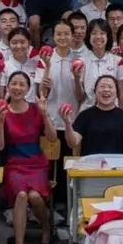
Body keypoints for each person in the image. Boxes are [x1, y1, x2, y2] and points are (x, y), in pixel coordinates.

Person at [0, 72, 57, 244]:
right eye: (14, 83)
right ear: (8, 87)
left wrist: (45, 114)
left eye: (22, 84)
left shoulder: (36, 109)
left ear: (28, 89)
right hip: (14, 164)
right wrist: (0, 122)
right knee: (21, 195)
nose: (17, 88)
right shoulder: (2, 110)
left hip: (37, 163)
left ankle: (46, 227)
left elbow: (52, 138)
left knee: (35, 196)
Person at [35, 20, 79, 206]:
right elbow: (41, 94)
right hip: (51, 120)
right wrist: (47, 68)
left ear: (72, 36)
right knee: (49, 167)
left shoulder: (78, 60)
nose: (62, 37)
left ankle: (67, 205)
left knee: (67, 168)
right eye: (58, 34)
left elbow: (81, 95)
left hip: (72, 121)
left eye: (66, 33)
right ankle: (50, 206)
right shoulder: (45, 59)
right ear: (53, 36)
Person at [64, 75, 123, 155]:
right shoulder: (84, 116)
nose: (106, 89)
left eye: (110, 87)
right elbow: (72, 143)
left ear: (116, 93)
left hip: (118, 162)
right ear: (95, 92)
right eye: (102, 86)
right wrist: (68, 124)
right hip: (92, 162)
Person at [75, 19, 120, 112]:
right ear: (88, 36)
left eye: (102, 33)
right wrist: (76, 78)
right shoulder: (81, 62)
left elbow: (121, 93)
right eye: (94, 33)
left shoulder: (117, 61)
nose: (98, 36)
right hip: (88, 111)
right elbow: (80, 97)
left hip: (112, 111)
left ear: (108, 36)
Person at [0, 27, 39, 103]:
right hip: (11, 107)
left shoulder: (36, 64)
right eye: (14, 43)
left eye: (22, 42)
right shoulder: (4, 66)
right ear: (9, 44)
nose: (19, 46)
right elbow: (0, 96)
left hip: (32, 108)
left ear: (29, 43)